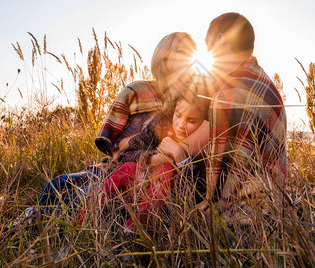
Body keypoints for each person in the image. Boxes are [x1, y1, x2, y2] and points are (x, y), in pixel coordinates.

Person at [37, 32, 197, 216]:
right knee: (54, 186)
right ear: (164, 56)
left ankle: (39, 221)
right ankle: (36, 218)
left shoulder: (192, 100)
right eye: (180, 52)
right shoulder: (136, 91)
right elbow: (114, 148)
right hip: (117, 166)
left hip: (148, 176)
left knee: (80, 201)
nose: (186, 59)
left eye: (190, 54)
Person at [158, 13, 287, 216]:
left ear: (220, 40)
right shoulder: (262, 82)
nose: (207, 50)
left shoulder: (234, 92)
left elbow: (184, 149)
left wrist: (144, 159)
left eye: (207, 43)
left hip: (242, 216)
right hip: (272, 208)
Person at [80, 87, 209, 232]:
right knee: (130, 167)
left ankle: (133, 233)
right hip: (132, 187)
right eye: (178, 115)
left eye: (191, 120)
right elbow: (126, 154)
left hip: (164, 206)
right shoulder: (160, 126)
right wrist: (152, 160)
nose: (180, 124)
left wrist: (180, 156)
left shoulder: (205, 145)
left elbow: (198, 191)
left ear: (204, 122)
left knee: (167, 170)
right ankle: (83, 219)